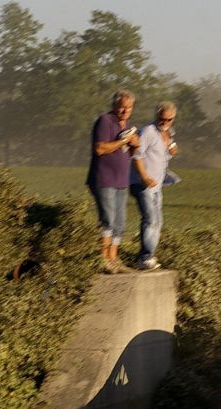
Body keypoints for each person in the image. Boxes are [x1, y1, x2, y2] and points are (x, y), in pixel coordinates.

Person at [86, 90, 141, 274]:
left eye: (129, 108)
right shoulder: (105, 121)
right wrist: (122, 141)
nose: (125, 111)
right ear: (114, 106)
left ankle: (113, 258)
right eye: (122, 107)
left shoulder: (127, 125)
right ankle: (103, 259)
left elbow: (130, 154)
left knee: (120, 222)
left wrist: (134, 145)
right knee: (107, 220)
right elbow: (100, 148)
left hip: (121, 181)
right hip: (104, 178)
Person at [130, 101, 179, 270]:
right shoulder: (148, 132)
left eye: (169, 119)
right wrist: (143, 176)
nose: (165, 122)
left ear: (173, 118)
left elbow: (160, 157)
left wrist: (171, 152)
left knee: (158, 221)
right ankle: (145, 257)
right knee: (150, 219)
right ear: (156, 115)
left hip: (157, 185)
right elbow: (136, 154)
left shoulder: (168, 134)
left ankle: (148, 255)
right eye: (162, 118)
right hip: (141, 183)